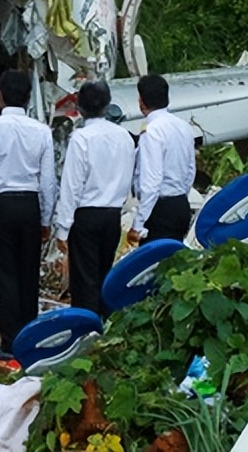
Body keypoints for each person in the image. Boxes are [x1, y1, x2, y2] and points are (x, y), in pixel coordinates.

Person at [0, 70, 57, 354]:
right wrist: (45, 218)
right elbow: (48, 181)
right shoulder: (42, 131)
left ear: (0, 97)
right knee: (28, 271)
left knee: (2, 272)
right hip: (29, 204)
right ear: (28, 98)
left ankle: (10, 338)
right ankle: (29, 335)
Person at [54, 81, 135, 317]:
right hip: (112, 214)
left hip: (86, 215)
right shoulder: (124, 136)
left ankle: (86, 327)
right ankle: (106, 325)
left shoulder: (81, 138)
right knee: (104, 274)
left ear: (79, 107)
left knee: (84, 281)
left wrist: (63, 228)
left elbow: (72, 185)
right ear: (108, 105)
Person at [128, 74, 195, 246]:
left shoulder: (152, 131)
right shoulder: (184, 127)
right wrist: (180, 198)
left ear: (141, 102)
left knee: (153, 259)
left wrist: (138, 223)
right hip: (180, 203)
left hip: (159, 209)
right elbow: (190, 171)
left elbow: (151, 181)